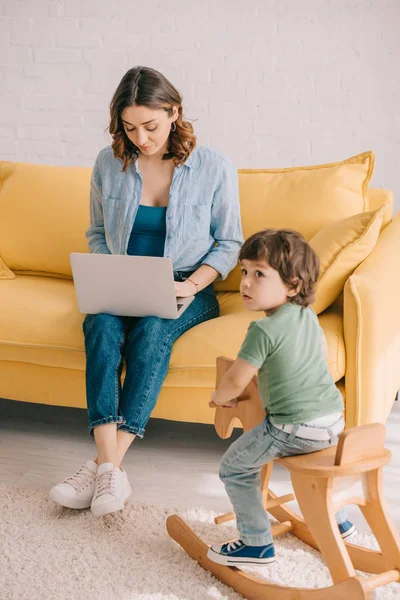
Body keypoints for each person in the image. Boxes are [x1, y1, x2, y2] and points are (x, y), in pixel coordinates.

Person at [50, 66, 243, 517]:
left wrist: (191, 284)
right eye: (130, 127)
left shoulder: (213, 167)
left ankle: (104, 466)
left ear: (174, 112)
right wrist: (109, 270)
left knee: (153, 332)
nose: (141, 138)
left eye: (151, 126)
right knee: (98, 325)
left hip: (188, 286)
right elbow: (97, 232)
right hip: (122, 282)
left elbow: (230, 242)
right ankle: (110, 472)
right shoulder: (109, 163)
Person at [207, 228, 355, 567]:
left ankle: (255, 543)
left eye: (259, 274)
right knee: (319, 461)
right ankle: (339, 519)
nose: (245, 282)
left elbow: (235, 379)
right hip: (334, 418)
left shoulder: (262, 330)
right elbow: (317, 349)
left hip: (292, 426)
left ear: (294, 286)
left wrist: (220, 397)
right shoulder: (306, 316)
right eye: (244, 271)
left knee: (234, 466)